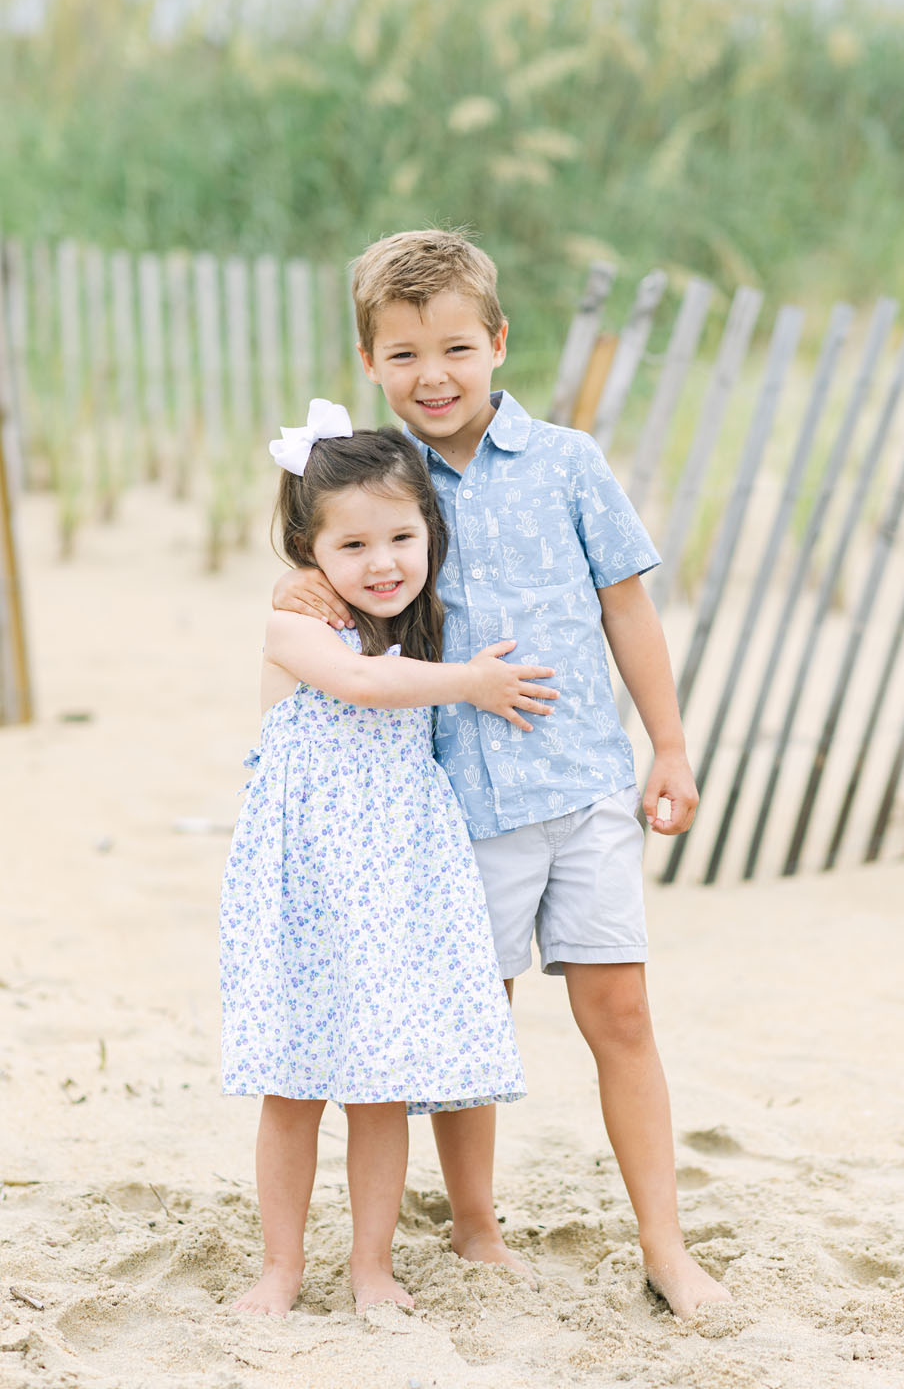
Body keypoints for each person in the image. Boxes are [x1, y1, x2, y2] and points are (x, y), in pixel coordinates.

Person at [273, 231, 732, 1318]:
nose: (432, 376)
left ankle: (664, 1246)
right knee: (474, 1018)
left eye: (455, 349)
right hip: (455, 806)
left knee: (619, 1009)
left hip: (582, 787)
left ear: (497, 344)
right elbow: (328, 578)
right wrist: (298, 592)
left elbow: (626, 606)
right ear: (368, 359)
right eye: (403, 354)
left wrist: (666, 745)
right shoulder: (379, 477)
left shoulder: (569, 462)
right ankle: (475, 1226)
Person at [222, 409, 558, 1316]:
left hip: (397, 885)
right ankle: (280, 1268)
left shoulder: (426, 623)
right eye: (352, 543)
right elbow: (367, 684)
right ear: (308, 551)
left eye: (402, 537)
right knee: (292, 1087)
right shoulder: (296, 629)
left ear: (430, 536)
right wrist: (471, 683)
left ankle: (373, 1265)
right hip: (307, 886)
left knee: (380, 1087)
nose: (383, 562)